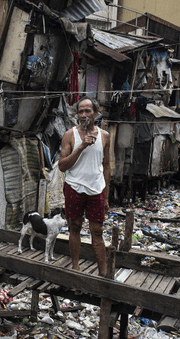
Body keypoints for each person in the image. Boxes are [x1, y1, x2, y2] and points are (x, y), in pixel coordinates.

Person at [59, 97, 111, 276]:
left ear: (96, 114)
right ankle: (75, 267)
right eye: (80, 111)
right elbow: (62, 166)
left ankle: (103, 273)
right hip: (74, 186)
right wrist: (81, 147)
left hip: (97, 188)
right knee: (75, 226)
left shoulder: (104, 136)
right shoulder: (69, 135)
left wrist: (107, 196)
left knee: (97, 230)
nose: (83, 115)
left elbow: (106, 166)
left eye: (87, 111)